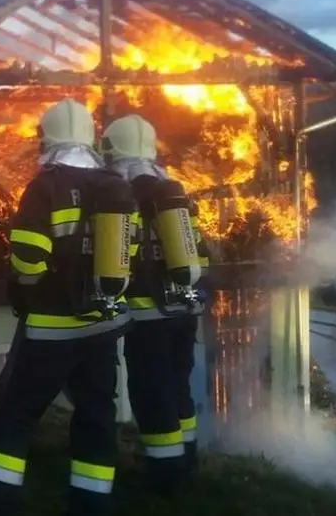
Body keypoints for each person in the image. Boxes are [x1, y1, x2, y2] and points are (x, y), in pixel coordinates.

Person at [0, 98, 136, 516]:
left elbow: (28, 253)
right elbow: (126, 250)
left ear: (48, 139)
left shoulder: (47, 186)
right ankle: (92, 505)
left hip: (48, 330)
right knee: (97, 418)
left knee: (16, 415)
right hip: (100, 329)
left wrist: (27, 291)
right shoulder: (116, 186)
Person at [100, 113, 210, 495]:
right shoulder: (175, 193)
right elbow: (201, 253)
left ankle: (165, 478)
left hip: (147, 315)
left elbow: (115, 255)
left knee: (151, 391)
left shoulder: (121, 194)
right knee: (179, 385)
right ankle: (188, 459)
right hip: (185, 309)